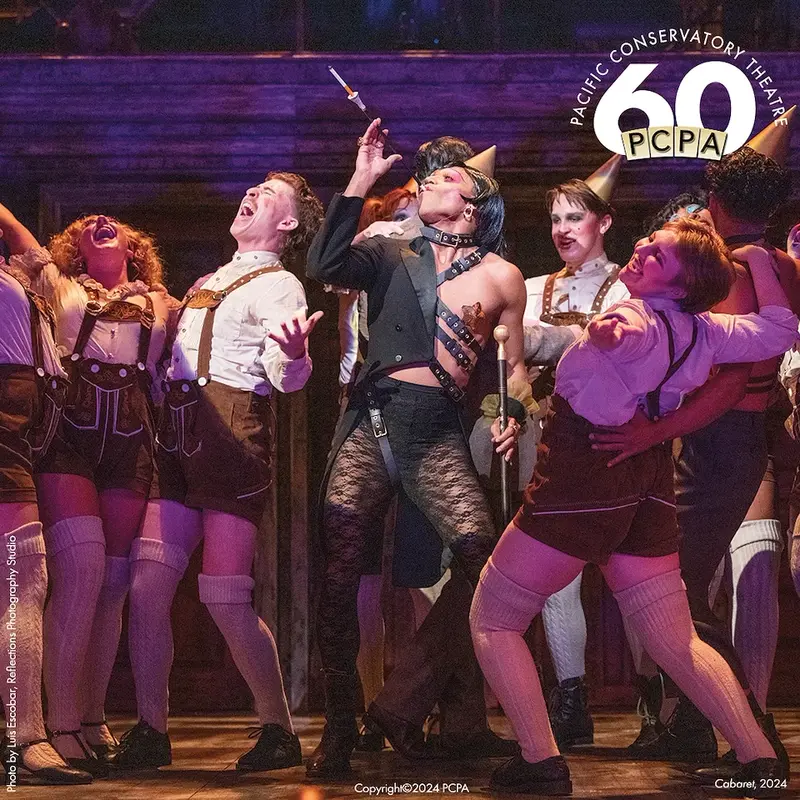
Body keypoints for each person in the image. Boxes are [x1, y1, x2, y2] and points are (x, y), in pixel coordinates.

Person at [470, 220, 798, 797]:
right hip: (645, 476)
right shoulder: (709, 330)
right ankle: (759, 758)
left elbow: (631, 336)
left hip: (586, 471)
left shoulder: (638, 319)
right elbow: (779, 329)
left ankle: (541, 759)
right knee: (674, 638)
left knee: (493, 618)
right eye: (649, 242)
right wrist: (760, 263)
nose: (642, 249)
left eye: (659, 255)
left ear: (683, 284)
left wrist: (611, 334)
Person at [305, 118, 524, 778]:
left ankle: (401, 701)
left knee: (486, 563)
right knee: (340, 575)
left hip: (436, 430)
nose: (428, 182)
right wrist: (361, 178)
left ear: (476, 204)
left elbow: (511, 370)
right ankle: (339, 724)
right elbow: (324, 265)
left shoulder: (503, 275)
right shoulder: (388, 251)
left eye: (447, 177)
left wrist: (509, 415)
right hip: (371, 421)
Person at [590, 111, 797, 773]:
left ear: (714, 199)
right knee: (673, 584)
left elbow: (730, 383)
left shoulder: (737, 268)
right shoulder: (780, 264)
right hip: (733, 441)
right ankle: (691, 724)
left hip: (718, 439)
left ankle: (754, 734)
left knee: (669, 586)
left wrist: (654, 430)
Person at [110, 171, 324, 771]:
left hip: (231, 435)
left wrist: (296, 354)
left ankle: (277, 729)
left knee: (224, 595)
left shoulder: (280, 284)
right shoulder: (208, 280)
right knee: (147, 587)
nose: (252, 193)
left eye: (268, 193)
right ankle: (151, 730)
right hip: (177, 434)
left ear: (288, 223)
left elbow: (284, 380)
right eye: (253, 187)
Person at [7, 209, 171, 775]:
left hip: (131, 438)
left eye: (112, 221)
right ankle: (60, 725)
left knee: (113, 586)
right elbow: (16, 233)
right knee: (80, 573)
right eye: (85, 223)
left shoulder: (163, 302)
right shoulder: (57, 282)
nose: (100, 219)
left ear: (135, 245)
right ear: (74, 247)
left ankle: (92, 718)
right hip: (69, 433)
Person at [522, 155, 629, 750]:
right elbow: (511, 365)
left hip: (611, 439)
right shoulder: (531, 287)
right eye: (555, 219)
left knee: (630, 571)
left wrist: (533, 340)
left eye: (575, 218)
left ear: (604, 223)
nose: (562, 230)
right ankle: (570, 697)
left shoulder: (627, 286)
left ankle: (659, 702)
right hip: (547, 437)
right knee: (553, 567)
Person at [0, 206, 91, 785]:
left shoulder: (16, 271)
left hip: (22, 417)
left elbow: (23, 241)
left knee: (20, 577)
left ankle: (25, 736)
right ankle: (25, 738)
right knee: (22, 576)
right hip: (5, 412)